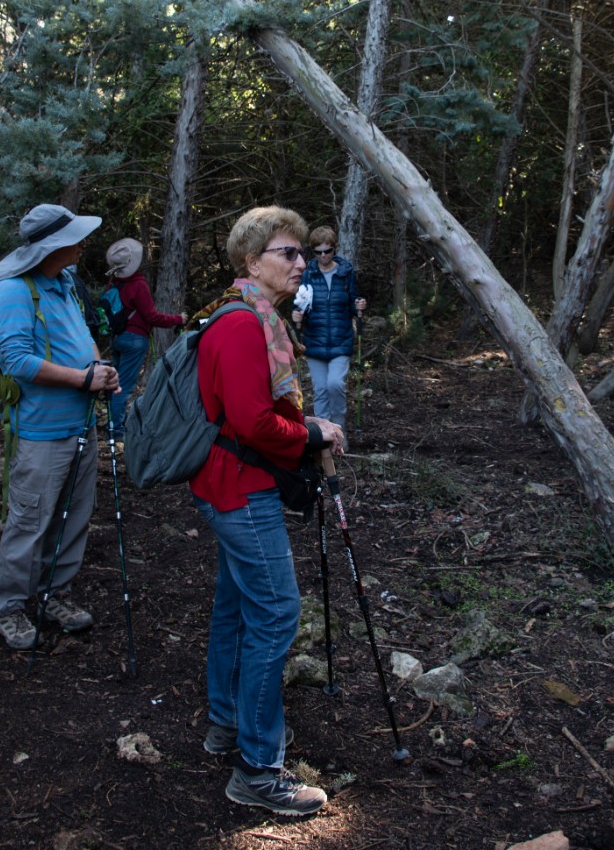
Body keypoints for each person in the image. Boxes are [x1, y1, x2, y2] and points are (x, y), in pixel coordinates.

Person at [190, 205, 343, 817]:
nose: (300, 262)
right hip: (240, 490)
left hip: (232, 485)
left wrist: (304, 428)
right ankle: (257, 769)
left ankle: (227, 724)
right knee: (277, 613)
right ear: (251, 260)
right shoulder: (240, 325)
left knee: (236, 608)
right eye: (288, 252)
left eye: (302, 252)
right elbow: (252, 420)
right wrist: (311, 433)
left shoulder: (256, 319)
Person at [0, 203, 120, 651]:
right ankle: (9, 607)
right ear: (53, 246)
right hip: (42, 430)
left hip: (82, 423)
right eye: (76, 238)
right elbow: (16, 360)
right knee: (30, 522)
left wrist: (99, 369)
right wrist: (84, 378)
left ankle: (53, 594)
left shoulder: (63, 283)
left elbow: (75, 340)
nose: (84, 244)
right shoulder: (12, 290)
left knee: (75, 516)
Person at [103, 238, 187, 439]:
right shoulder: (138, 284)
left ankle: (113, 424)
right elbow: (152, 316)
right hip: (134, 340)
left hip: (117, 338)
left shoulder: (113, 283)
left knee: (114, 383)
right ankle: (116, 431)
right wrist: (178, 319)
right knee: (123, 386)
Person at [291, 225, 366, 441]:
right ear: (313, 252)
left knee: (335, 385)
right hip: (315, 341)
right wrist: (297, 315)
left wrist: (359, 305)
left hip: (341, 339)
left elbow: (353, 302)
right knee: (321, 390)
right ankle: (324, 439)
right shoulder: (308, 274)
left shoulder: (346, 273)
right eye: (318, 252)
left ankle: (339, 433)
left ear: (334, 249)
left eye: (328, 251)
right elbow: (300, 304)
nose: (323, 256)